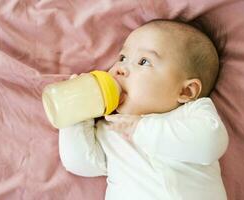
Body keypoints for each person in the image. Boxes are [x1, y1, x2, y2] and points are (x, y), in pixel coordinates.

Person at [58, 16, 229, 200]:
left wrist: (141, 129)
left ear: (186, 91)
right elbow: (81, 163)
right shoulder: (111, 128)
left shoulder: (193, 114)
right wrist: (76, 115)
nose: (118, 69)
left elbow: (209, 145)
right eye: (122, 58)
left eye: (143, 62)